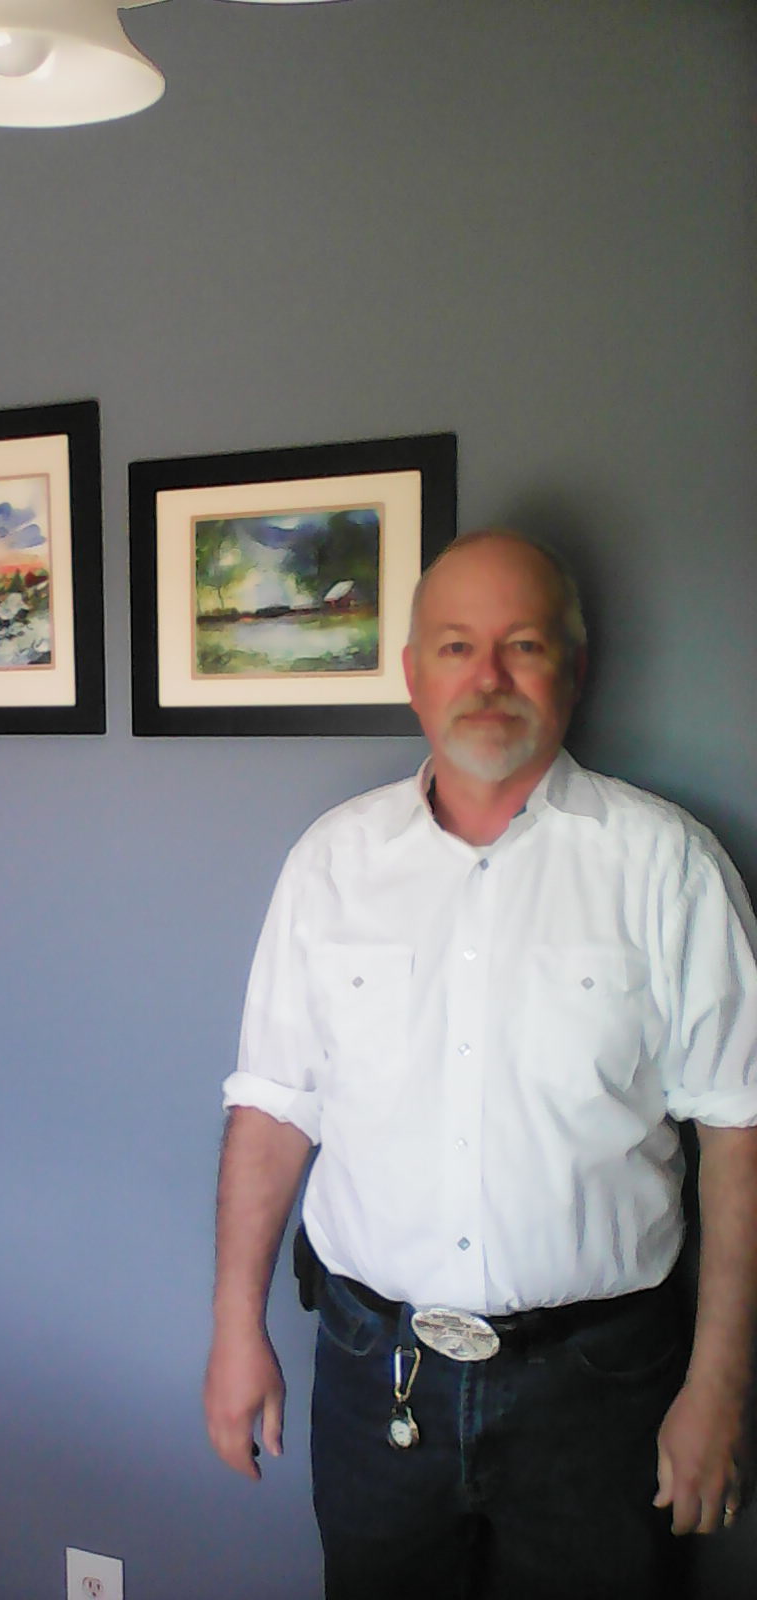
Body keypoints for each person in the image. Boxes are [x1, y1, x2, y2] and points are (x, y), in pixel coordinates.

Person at [203, 530, 757, 1599]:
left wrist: (718, 1387)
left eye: (524, 645)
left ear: (575, 669)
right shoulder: (332, 864)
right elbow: (272, 1110)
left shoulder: (668, 866)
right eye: (456, 646)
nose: (488, 677)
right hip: (376, 1382)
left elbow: (737, 1130)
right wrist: (237, 1330)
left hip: (604, 1392)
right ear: (413, 673)